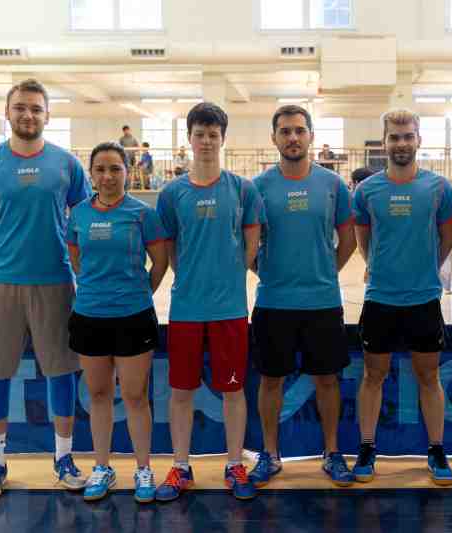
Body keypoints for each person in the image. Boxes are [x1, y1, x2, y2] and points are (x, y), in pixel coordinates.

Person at [0, 79, 91, 503]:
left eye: (36, 108)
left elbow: (82, 222)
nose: (28, 115)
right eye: (20, 107)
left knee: (61, 371)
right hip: (2, 282)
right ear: (7, 112)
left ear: (47, 115)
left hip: (55, 282)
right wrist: (5, 254)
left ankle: (64, 459)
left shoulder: (67, 165)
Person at [155, 102, 265, 501]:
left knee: (233, 391)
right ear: (189, 139)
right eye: (199, 134)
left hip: (230, 309)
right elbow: (169, 249)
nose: (205, 142)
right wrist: (193, 278)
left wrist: (229, 277)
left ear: (222, 139)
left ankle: (235, 463)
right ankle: (180, 467)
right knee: (181, 391)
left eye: (212, 135)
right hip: (185, 309)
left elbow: (252, 243)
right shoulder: (171, 194)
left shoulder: (243, 189)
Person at [248, 105, 357, 488]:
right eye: (285, 131)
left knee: (327, 380)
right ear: (274, 138)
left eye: (299, 130)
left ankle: (331, 453)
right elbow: (249, 242)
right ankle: (271, 454)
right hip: (273, 302)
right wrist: (266, 272)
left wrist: (326, 272)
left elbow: (348, 239)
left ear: (311, 135)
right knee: (271, 381)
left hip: (322, 302)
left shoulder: (333, 185)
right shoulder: (258, 187)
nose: (292, 137)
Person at [352, 108, 452, 485]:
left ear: (418, 140)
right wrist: (380, 267)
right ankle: (367, 448)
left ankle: (436, 449)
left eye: (407, 136)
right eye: (394, 137)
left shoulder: (440, 189)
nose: (401, 143)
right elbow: (364, 241)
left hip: (423, 299)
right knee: (373, 375)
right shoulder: (367, 191)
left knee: (429, 376)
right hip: (380, 298)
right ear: (384, 142)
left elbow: (446, 239)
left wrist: (424, 269)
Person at [66, 142, 169, 503]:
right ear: (91, 174)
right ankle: (102, 467)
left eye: (115, 169)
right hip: (89, 316)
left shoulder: (142, 214)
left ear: (128, 172)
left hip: (133, 316)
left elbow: (159, 263)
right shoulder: (78, 215)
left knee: (135, 395)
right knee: (98, 395)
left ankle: (143, 468)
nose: (108, 176)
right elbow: (76, 258)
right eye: (100, 169)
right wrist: (98, 289)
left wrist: (137, 294)